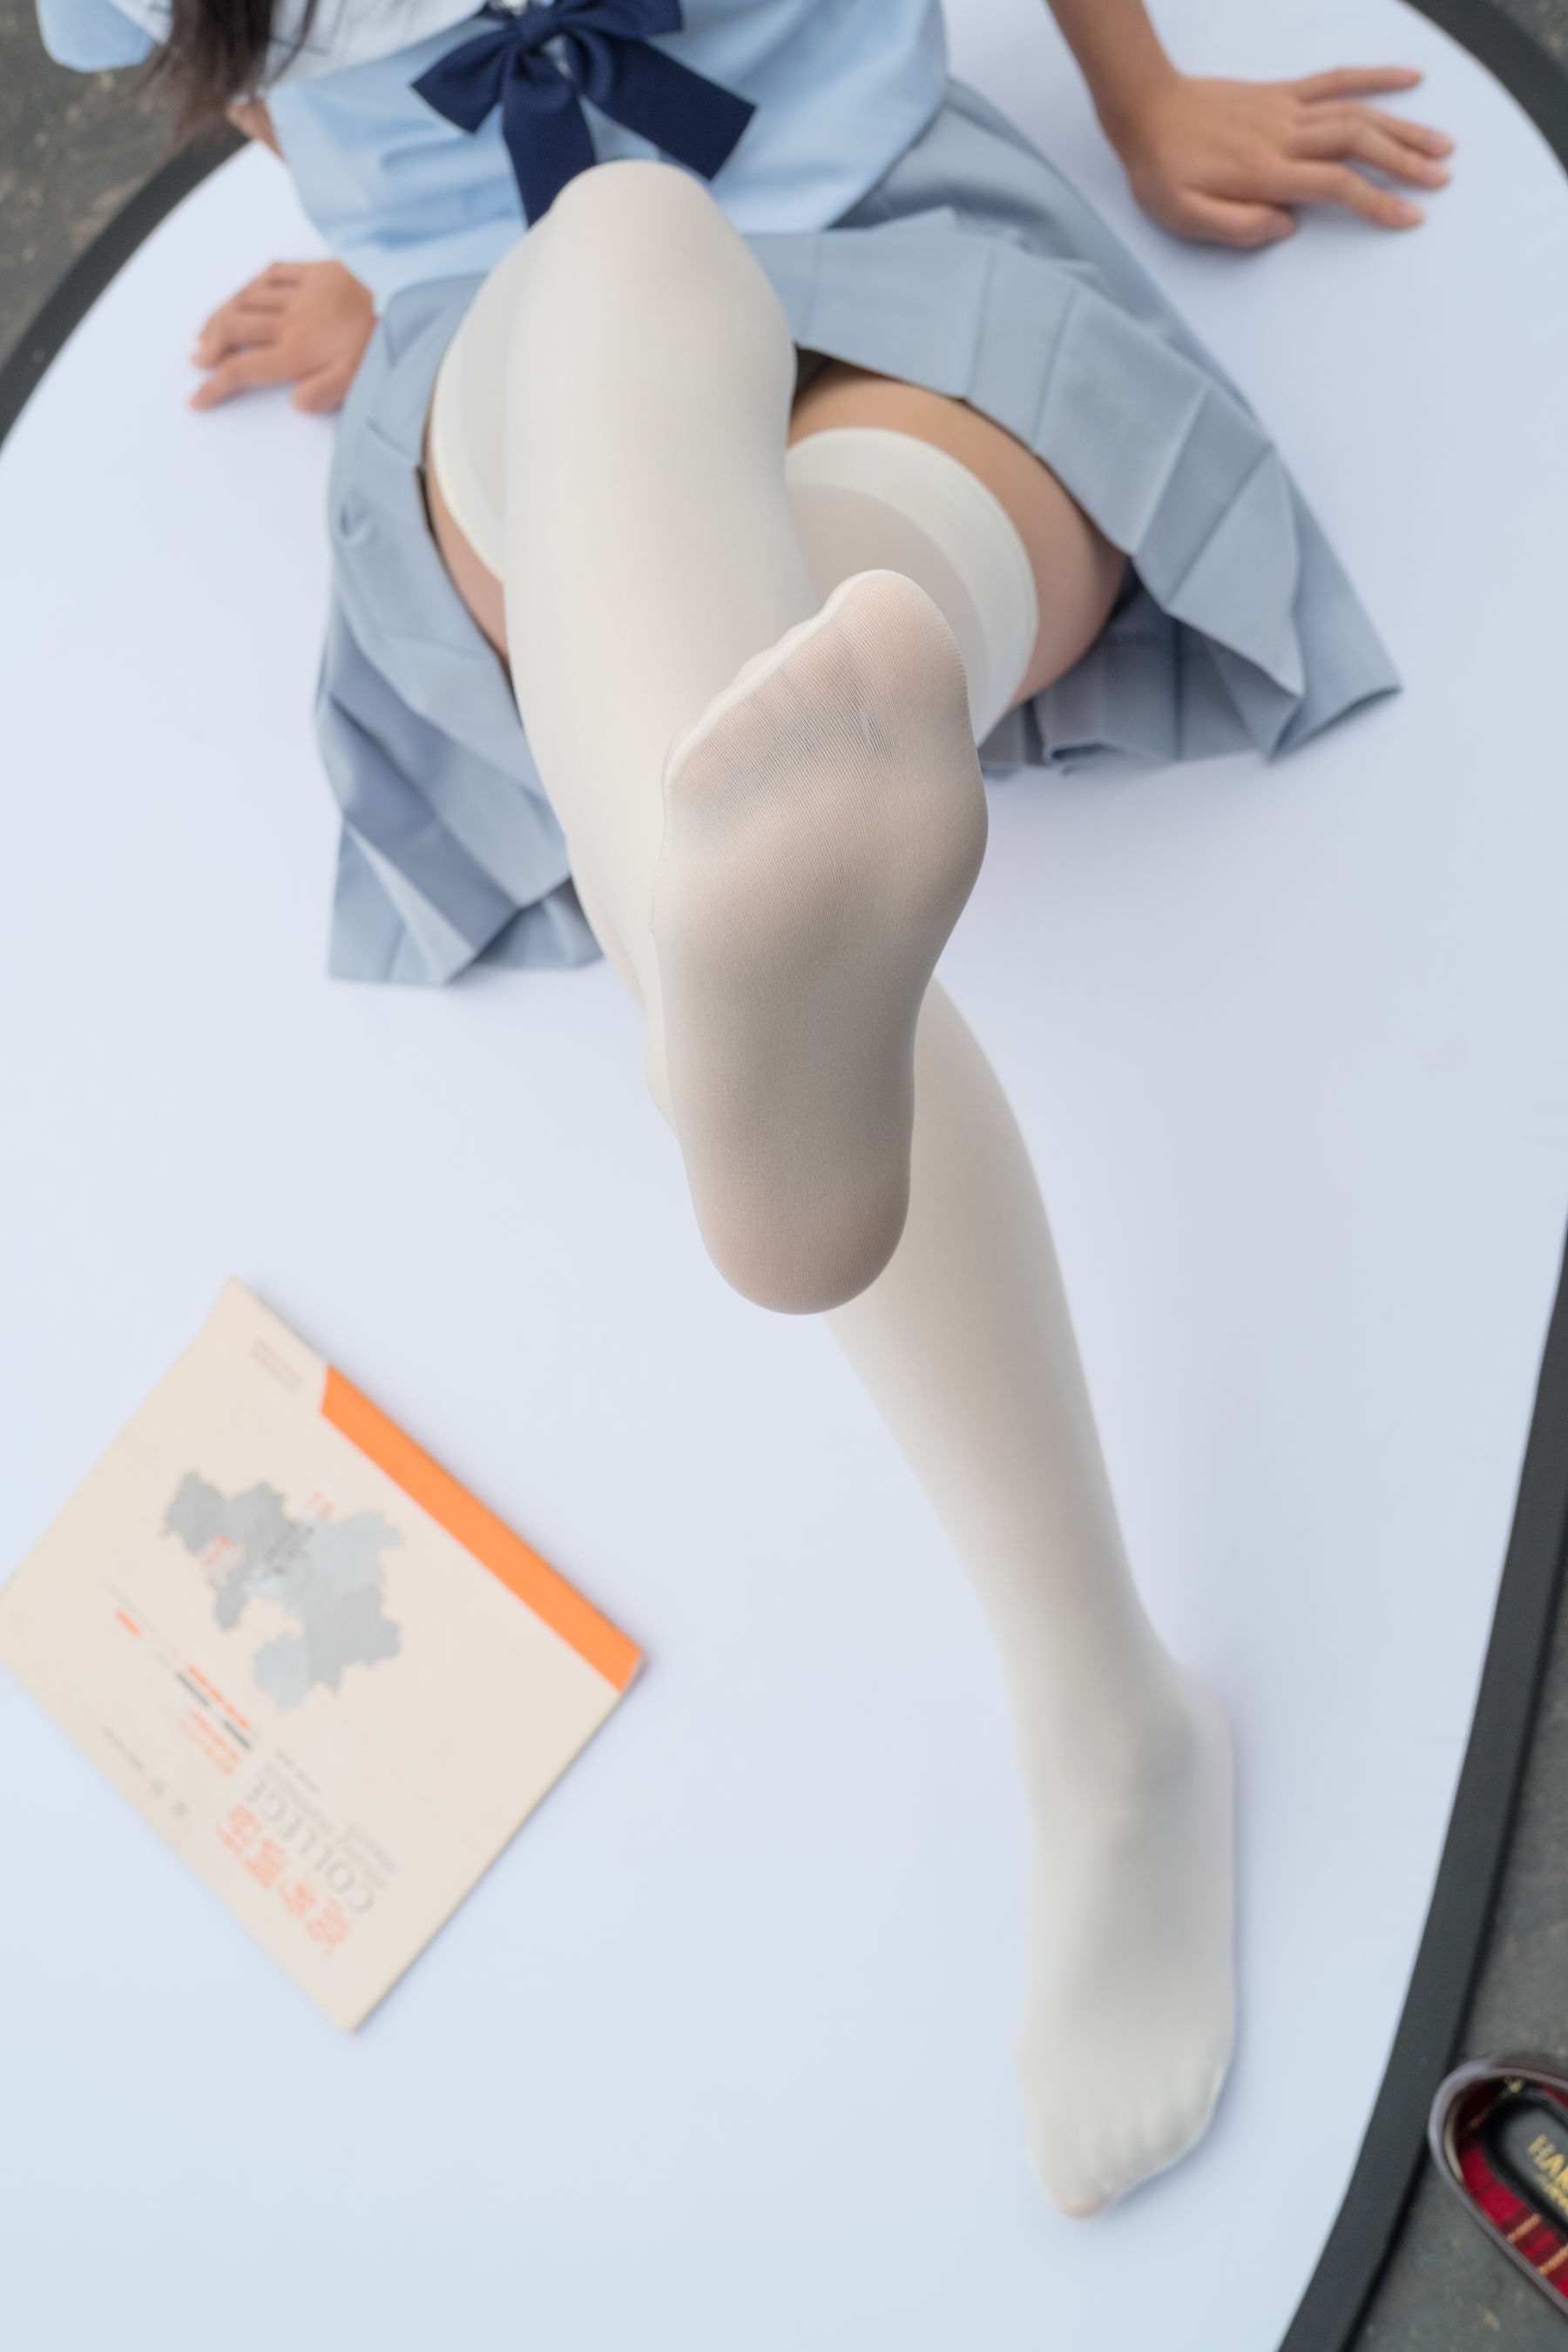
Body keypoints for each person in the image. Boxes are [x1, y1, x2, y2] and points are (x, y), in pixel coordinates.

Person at [37, 0, 1450, 2214]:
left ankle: (741, 959)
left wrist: (1139, 88)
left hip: (883, 238)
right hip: (522, 372)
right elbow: (235, 66)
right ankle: (771, 936)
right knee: (615, 268)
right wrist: (375, 241)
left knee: (753, 655)